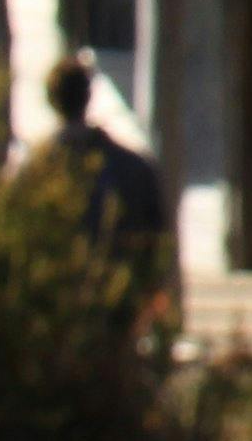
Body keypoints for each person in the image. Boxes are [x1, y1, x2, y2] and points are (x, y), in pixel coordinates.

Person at [31, 53, 173, 338]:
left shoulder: (36, 173)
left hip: (59, 312)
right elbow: (159, 242)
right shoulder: (132, 166)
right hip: (118, 303)